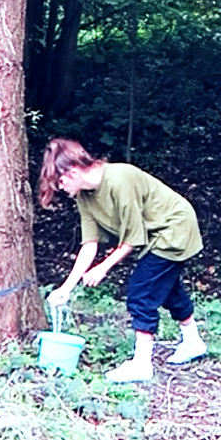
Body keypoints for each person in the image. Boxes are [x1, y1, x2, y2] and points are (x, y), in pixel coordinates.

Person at [38, 138, 206, 383]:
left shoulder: (119, 179)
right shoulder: (83, 196)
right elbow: (89, 244)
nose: (61, 189)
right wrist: (66, 287)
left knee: (141, 291)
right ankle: (193, 342)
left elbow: (133, 237)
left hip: (174, 228)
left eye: (60, 182)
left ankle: (141, 364)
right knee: (166, 288)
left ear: (73, 172)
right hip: (154, 234)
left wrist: (103, 267)